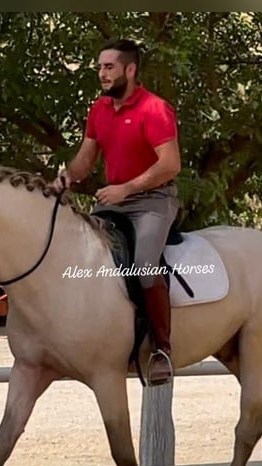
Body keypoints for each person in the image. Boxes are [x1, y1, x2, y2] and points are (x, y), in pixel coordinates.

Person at [51, 38, 182, 386]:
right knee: (84, 260)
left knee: (142, 266)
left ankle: (160, 349)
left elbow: (171, 164)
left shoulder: (155, 109)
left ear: (130, 69)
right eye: (99, 68)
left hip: (153, 201)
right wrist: (64, 178)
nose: (102, 74)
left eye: (108, 67)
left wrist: (126, 188)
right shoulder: (99, 110)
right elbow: (85, 159)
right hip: (113, 201)